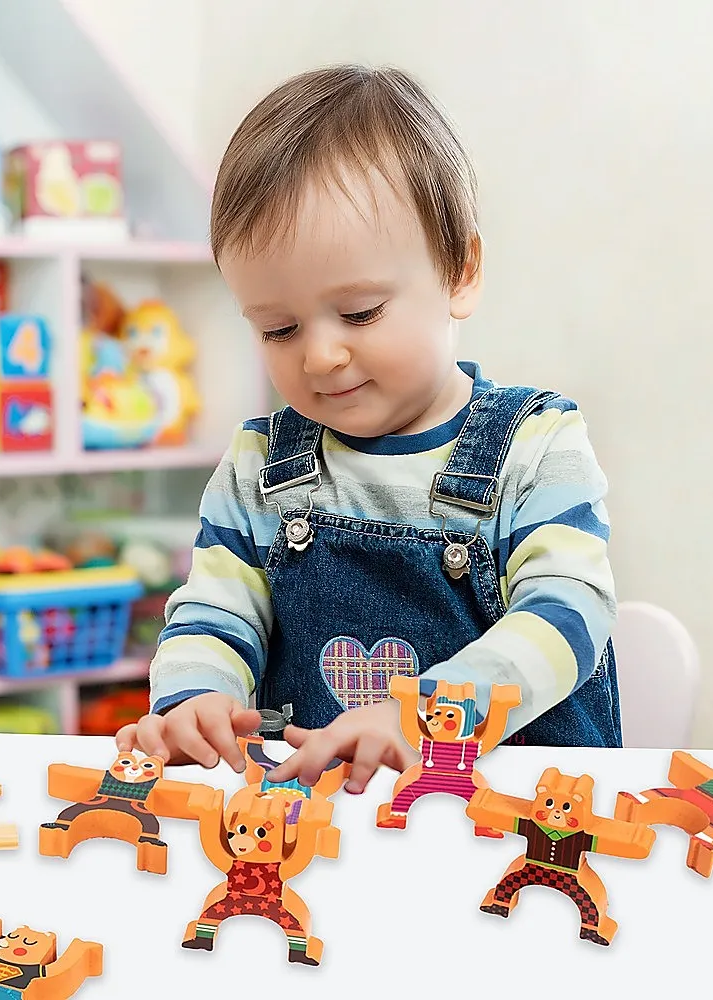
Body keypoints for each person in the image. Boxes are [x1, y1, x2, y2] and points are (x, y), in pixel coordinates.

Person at [116, 64, 620, 794]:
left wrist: (427, 713)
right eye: (279, 328)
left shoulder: (537, 446)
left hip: (513, 822)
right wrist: (196, 698)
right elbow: (212, 614)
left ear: (460, 271)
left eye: (358, 314)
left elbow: (569, 613)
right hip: (319, 827)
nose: (320, 355)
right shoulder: (259, 464)